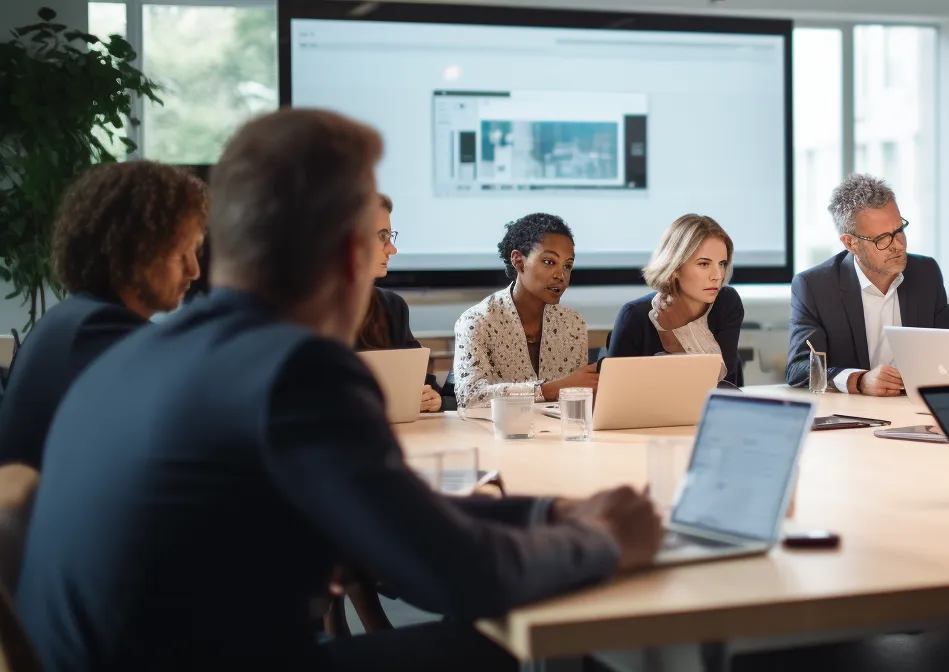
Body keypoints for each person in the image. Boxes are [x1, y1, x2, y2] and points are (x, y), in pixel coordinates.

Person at [15, 108, 663, 669]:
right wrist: (602, 540)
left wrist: (544, 513)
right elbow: (463, 574)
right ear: (354, 257)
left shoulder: (140, 351)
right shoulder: (295, 371)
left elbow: (398, 513)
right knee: (498, 651)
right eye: (382, 238)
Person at [0, 160, 206, 470]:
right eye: (181, 254)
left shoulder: (73, 318)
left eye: (197, 251)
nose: (194, 270)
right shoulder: (98, 333)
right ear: (133, 251)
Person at [786, 174, 949, 395]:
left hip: (913, 405)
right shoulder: (815, 286)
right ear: (850, 243)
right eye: (882, 239)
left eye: (899, 231)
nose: (897, 245)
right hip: (855, 413)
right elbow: (799, 368)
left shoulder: (926, 273)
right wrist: (859, 380)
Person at [453, 213, 601, 408]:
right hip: (496, 435)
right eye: (549, 262)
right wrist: (551, 389)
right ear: (519, 261)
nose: (561, 275)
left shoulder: (573, 323)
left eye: (568, 266)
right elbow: (470, 397)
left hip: (557, 435)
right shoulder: (477, 320)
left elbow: (576, 402)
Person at [610, 214, 745, 387]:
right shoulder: (634, 316)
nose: (718, 276)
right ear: (675, 267)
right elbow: (615, 396)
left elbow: (725, 385)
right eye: (704, 264)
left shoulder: (727, 303)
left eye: (722, 264)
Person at [357, 194, 443, 413]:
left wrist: (431, 398)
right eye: (382, 237)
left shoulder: (390, 306)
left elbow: (421, 382)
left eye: (390, 236)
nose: (392, 249)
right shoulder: (303, 312)